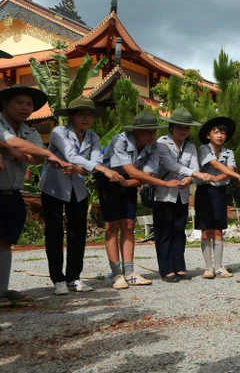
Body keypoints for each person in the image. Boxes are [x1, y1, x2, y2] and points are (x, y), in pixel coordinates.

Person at [41, 97, 121, 295]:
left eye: (90, 115)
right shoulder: (59, 132)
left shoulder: (93, 137)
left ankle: (74, 277)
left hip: (78, 188)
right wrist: (101, 169)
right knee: (54, 232)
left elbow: (95, 160)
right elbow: (71, 156)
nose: (86, 118)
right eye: (81, 114)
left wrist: (82, 170)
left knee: (78, 232)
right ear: (72, 116)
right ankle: (58, 279)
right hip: (53, 187)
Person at [0, 85, 69, 307]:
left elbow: (35, 157)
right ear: (5, 104)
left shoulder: (31, 132)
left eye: (29, 104)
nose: (25, 108)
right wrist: (48, 154)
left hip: (12, 193)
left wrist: (27, 155)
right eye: (19, 102)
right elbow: (12, 142)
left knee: (5, 241)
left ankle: (2, 291)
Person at [99, 110, 179, 289]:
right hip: (109, 179)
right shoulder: (119, 140)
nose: (151, 135)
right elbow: (132, 170)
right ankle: (117, 274)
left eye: (154, 131)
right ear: (135, 131)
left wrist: (130, 183)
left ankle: (129, 272)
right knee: (112, 226)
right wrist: (164, 184)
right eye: (146, 131)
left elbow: (146, 175)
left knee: (128, 224)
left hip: (130, 181)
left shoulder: (155, 147)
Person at [151, 108, 213, 283]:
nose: (183, 131)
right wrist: (195, 174)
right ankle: (166, 270)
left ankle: (179, 267)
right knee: (164, 231)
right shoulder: (162, 143)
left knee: (179, 231)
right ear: (171, 127)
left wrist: (190, 179)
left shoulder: (190, 146)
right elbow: (170, 165)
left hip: (182, 195)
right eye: (179, 127)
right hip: (163, 194)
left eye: (186, 127)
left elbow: (194, 167)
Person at [196, 116, 240, 279]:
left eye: (223, 133)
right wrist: (237, 177)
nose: (220, 135)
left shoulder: (229, 152)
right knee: (206, 230)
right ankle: (208, 268)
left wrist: (216, 178)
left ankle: (219, 266)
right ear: (208, 135)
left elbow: (229, 170)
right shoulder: (203, 149)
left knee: (218, 229)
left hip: (219, 191)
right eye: (216, 132)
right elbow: (215, 164)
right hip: (204, 191)